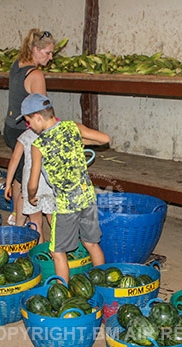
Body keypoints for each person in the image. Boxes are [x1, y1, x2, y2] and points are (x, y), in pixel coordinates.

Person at [19, 94, 110, 283]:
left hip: (66, 205)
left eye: (28, 122)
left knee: (57, 251)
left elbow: (33, 181)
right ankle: (102, 283)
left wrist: (31, 196)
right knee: (91, 243)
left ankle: (63, 292)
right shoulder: (73, 127)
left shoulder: (39, 145)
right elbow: (104, 139)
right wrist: (78, 142)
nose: (29, 127)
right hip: (88, 198)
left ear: (37, 117)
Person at [3, 29, 55, 227]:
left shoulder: (17, 64)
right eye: (47, 53)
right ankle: (22, 222)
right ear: (35, 49)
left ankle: (16, 215)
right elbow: (42, 111)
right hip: (27, 132)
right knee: (30, 181)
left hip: (10, 128)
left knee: (19, 175)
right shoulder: (36, 75)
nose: (50, 58)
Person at [4, 128, 55, 244]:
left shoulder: (25, 135)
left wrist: (8, 184)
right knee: (53, 220)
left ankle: (40, 253)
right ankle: (59, 252)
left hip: (31, 185)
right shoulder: (54, 134)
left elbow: (14, 160)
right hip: (50, 185)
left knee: (36, 223)